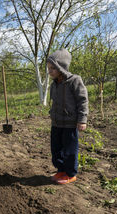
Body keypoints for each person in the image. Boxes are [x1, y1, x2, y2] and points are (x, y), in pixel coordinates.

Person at [47, 48, 89, 185]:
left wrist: (82, 120)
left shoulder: (74, 81)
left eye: (53, 67)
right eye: (48, 68)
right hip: (57, 122)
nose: (50, 71)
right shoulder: (54, 85)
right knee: (56, 148)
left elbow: (82, 101)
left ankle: (70, 174)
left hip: (70, 123)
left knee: (70, 150)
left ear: (62, 66)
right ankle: (61, 170)